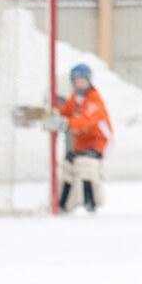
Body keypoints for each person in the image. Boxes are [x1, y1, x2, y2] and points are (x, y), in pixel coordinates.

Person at [45, 63, 113, 212]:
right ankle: (63, 205)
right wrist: (52, 113)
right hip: (82, 143)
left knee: (85, 165)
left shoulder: (95, 100)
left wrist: (63, 123)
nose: (79, 83)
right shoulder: (75, 99)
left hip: (100, 142)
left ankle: (91, 203)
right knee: (68, 166)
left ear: (89, 81)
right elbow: (65, 112)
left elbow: (84, 122)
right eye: (76, 80)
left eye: (83, 80)